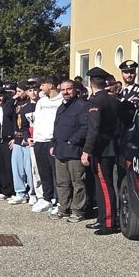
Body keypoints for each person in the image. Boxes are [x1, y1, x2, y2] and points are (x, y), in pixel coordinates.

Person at [84, 68, 124, 234]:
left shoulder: (96, 101)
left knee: (105, 186)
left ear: (90, 83)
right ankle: (102, 218)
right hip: (111, 145)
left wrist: (87, 150)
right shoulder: (114, 100)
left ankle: (108, 223)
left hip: (102, 148)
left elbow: (94, 128)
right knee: (101, 185)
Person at [51, 78, 91, 223]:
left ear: (75, 90)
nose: (65, 92)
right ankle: (63, 209)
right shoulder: (61, 107)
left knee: (78, 182)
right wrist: (53, 144)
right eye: (63, 89)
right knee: (62, 183)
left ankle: (78, 211)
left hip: (74, 151)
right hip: (60, 151)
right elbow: (56, 127)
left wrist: (72, 141)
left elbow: (85, 128)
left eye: (68, 89)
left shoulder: (82, 106)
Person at [31, 78, 61, 214]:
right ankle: (46, 199)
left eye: (43, 84)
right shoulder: (41, 101)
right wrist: (35, 138)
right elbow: (37, 120)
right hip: (39, 140)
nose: (41, 87)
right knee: (43, 171)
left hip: (52, 140)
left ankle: (60, 200)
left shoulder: (61, 100)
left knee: (57, 173)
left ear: (51, 85)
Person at [10, 83, 36, 205]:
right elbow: (8, 116)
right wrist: (12, 100)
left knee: (29, 169)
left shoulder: (32, 105)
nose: (18, 93)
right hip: (17, 138)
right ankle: (20, 192)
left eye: (20, 91)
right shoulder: (16, 104)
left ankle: (32, 193)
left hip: (28, 139)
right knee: (17, 168)